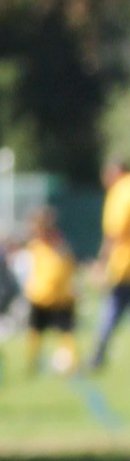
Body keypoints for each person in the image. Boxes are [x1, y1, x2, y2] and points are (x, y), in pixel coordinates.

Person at [19, 205, 79, 370]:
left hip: (61, 297)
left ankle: (71, 361)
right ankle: (33, 362)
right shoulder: (35, 246)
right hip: (40, 296)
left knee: (66, 332)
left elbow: (68, 266)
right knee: (36, 331)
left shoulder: (59, 245)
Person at [90, 156, 130, 370]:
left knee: (110, 312)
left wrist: (101, 264)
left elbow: (113, 233)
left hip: (124, 267)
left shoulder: (121, 192)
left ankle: (97, 358)